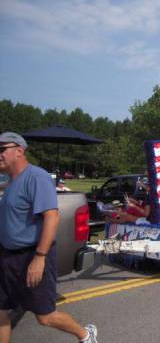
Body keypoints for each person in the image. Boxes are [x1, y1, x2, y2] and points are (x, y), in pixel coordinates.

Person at [0, 132, 98, 343]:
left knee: (45, 316)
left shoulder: (36, 177)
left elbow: (51, 217)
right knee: (0, 312)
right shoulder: (10, 182)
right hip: (7, 257)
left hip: (31, 256)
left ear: (19, 151)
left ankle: (86, 334)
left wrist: (39, 257)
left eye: (1, 149)